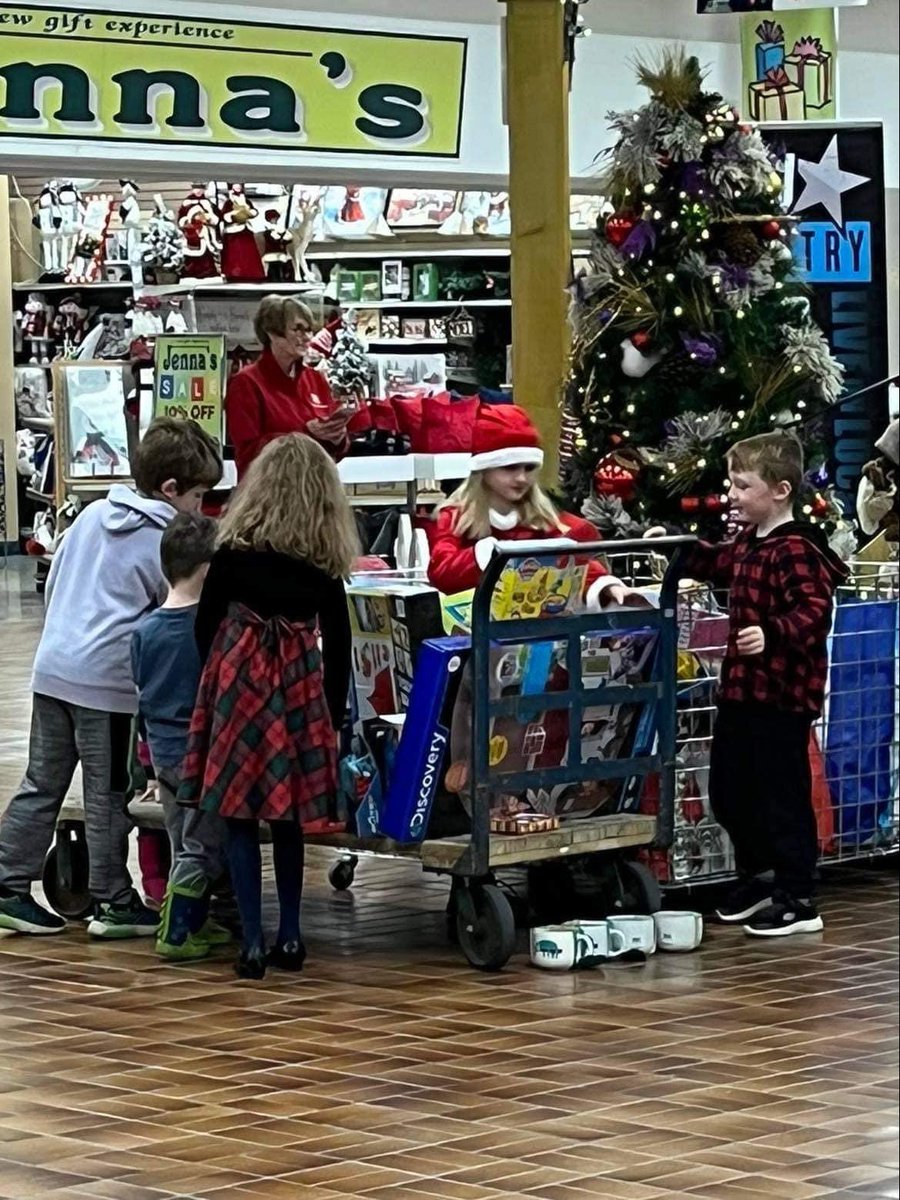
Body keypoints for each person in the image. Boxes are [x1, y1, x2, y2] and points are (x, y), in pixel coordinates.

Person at [0, 418, 222, 938]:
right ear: (171, 490)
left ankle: (8, 883)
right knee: (108, 790)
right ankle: (112, 899)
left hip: (53, 667)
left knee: (42, 779)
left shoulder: (93, 513)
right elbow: (170, 610)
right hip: (108, 684)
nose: (200, 506)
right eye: (198, 494)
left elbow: (53, 582)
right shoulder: (164, 540)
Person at [178, 434, 354, 979]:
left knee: (237, 815)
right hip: (298, 690)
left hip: (238, 686)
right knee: (288, 819)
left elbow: (204, 625)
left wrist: (222, 678)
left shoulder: (230, 555)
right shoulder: (321, 565)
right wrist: (328, 713)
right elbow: (341, 644)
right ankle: (293, 935)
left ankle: (251, 941)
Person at [677, 431, 847, 937]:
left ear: (780, 490)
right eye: (731, 483)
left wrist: (771, 633)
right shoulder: (749, 541)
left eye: (742, 485)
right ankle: (761, 874)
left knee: (781, 794)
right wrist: (684, 549)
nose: (731, 494)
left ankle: (798, 894)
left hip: (781, 697)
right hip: (741, 692)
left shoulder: (796, 549)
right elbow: (719, 562)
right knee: (730, 790)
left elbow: (816, 611)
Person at [131, 513, 231, 961]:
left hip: (163, 754)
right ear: (211, 572)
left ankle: (195, 919)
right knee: (202, 847)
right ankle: (174, 933)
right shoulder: (208, 628)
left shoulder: (143, 631)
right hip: (202, 755)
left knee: (179, 839)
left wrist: (147, 766)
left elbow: (141, 697)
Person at [427, 404, 642, 608]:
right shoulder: (455, 518)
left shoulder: (545, 520)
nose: (521, 478)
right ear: (484, 469)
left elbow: (576, 566)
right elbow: (442, 573)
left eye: (529, 468)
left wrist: (606, 586)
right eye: (510, 468)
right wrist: (488, 555)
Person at [225, 295, 352, 479]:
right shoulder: (246, 383)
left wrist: (338, 438)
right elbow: (248, 453)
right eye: (297, 330)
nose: (306, 337)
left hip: (313, 489)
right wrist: (306, 434)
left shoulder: (314, 378)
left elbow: (335, 452)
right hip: (267, 493)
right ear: (272, 334)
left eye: (309, 330)